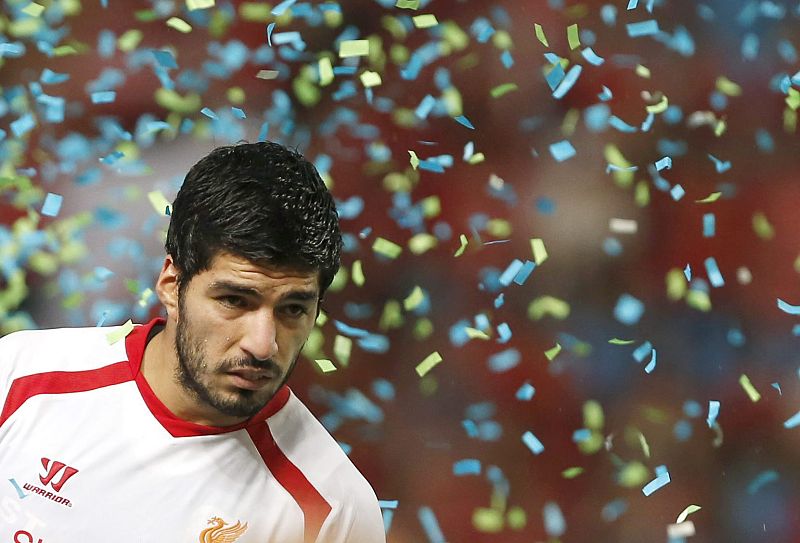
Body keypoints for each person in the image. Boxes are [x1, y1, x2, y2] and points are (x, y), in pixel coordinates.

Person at [0, 142, 386, 542]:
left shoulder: (333, 512)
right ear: (172, 285)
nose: (262, 345)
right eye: (234, 300)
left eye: (292, 309)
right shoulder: (18, 380)